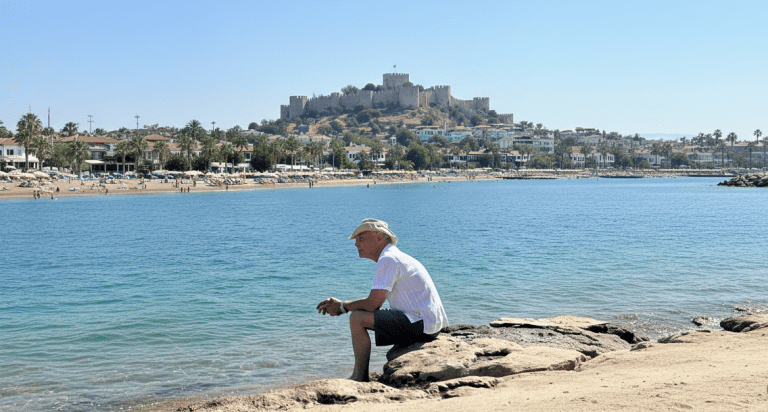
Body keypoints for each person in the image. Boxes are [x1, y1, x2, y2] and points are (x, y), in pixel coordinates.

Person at [316, 219, 448, 382]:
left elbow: (373, 304)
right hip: (429, 322)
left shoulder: (388, 259)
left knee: (357, 318)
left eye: (361, 238)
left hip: (423, 323)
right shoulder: (394, 256)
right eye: (356, 240)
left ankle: (359, 377)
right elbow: (375, 303)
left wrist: (343, 306)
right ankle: (360, 375)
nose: (356, 243)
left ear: (379, 237)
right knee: (359, 314)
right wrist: (343, 306)